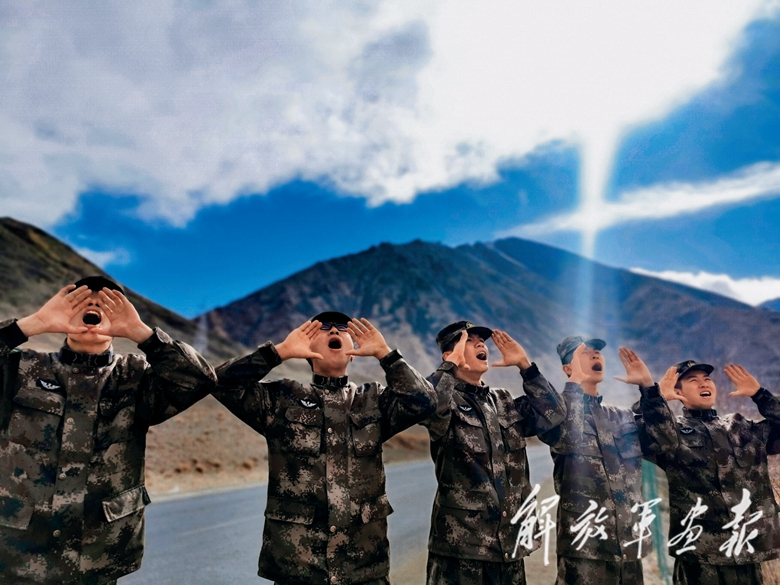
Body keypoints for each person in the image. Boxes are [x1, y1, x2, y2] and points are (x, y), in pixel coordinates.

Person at [0, 276, 217, 585]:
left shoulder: (136, 376)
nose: (93, 310)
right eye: (82, 303)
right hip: (19, 550)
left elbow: (200, 380)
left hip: (98, 552)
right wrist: (33, 324)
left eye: (107, 305)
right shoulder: (22, 369)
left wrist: (141, 333)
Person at [213, 311, 436, 585]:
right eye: (324, 327)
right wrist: (277, 353)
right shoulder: (281, 399)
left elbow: (425, 402)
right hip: (299, 570)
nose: (334, 330)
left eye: (342, 327)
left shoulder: (374, 400)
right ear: (307, 349)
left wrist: (386, 355)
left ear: (353, 353)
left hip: (364, 569)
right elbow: (219, 383)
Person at [421, 321, 566, 585]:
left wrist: (526, 367)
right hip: (462, 548)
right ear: (449, 355)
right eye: (468, 340)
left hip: (509, 546)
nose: (480, 344)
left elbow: (554, 413)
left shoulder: (504, 401)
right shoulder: (446, 402)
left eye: (482, 341)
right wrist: (448, 368)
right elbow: (424, 405)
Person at [619, 348, 780, 585]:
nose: (703, 383)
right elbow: (634, 435)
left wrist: (760, 395)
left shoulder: (742, 428)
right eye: (693, 381)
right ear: (678, 392)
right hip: (700, 556)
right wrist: (654, 396)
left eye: (706, 379)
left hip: (747, 551)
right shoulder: (671, 433)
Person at [538, 336, 649, 585]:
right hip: (585, 549)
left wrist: (648, 388)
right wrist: (573, 385)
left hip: (628, 544)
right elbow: (566, 438)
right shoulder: (557, 414)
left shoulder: (620, 417)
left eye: (597, 352)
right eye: (585, 353)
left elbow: (664, 440)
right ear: (567, 368)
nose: (595, 355)